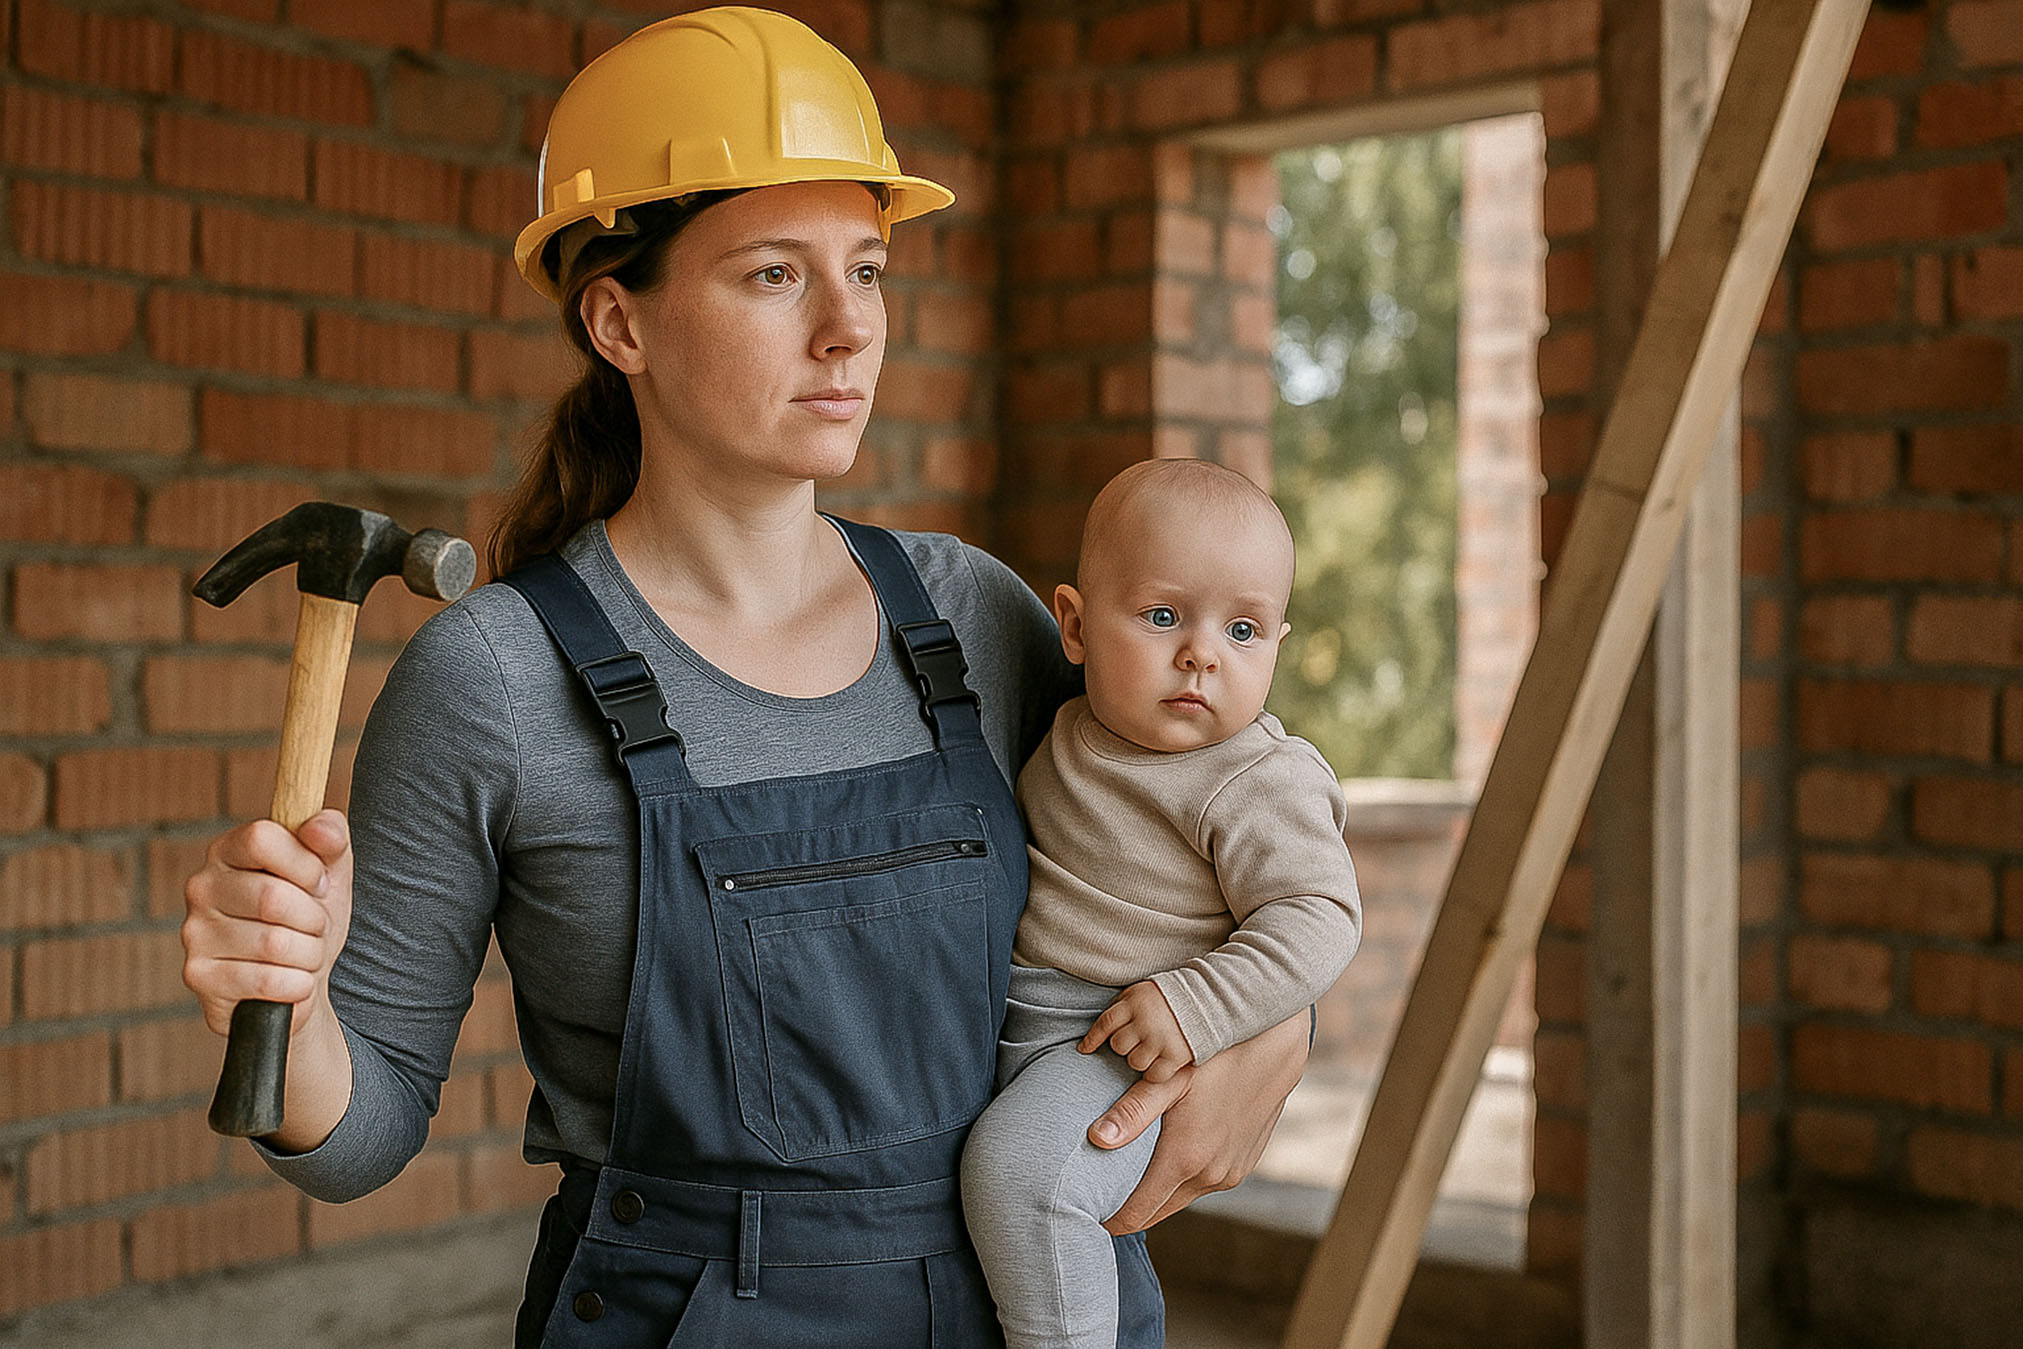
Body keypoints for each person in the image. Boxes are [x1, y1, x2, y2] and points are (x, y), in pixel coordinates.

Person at [178, 9, 1310, 1346]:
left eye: (869, 270)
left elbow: (1248, 830)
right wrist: (287, 1006)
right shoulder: (493, 677)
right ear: (620, 323)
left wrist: (1270, 1040)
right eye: (774, 275)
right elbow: (355, 1140)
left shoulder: (975, 620)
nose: (848, 332)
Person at [960, 458, 1362, 1349]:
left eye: (1244, 628)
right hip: (1022, 1027)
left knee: (1021, 1180)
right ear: (1071, 624)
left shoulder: (1255, 777)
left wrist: (1196, 1007)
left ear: (1277, 648)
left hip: (1120, 1040)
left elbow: (1320, 915)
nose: (1201, 653)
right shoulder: (1068, 722)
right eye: (1161, 616)